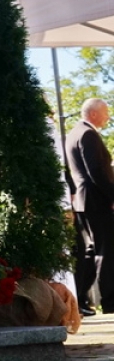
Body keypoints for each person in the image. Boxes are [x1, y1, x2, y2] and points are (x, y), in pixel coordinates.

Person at [64, 98, 114, 316]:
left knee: (92, 250)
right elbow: (97, 172)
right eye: (106, 112)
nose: (108, 117)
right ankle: (110, 301)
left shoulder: (74, 133)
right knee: (106, 250)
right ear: (93, 114)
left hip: (85, 200)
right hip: (96, 200)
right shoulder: (88, 134)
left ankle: (80, 297)